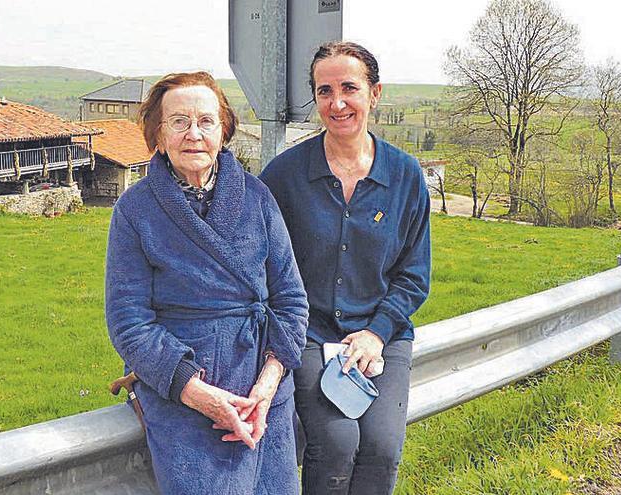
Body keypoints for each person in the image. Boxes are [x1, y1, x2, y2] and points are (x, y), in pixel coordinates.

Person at [104, 71, 308, 495]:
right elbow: (129, 322)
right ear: (158, 135)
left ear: (223, 130)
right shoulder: (135, 210)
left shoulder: (257, 197)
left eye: (205, 121)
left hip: (261, 388)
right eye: (178, 122)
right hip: (183, 388)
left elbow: (290, 299)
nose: (193, 134)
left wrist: (267, 387)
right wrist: (199, 394)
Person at [260, 42, 431, 494]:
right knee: (336, 441)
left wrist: (377, 332)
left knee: (381, 446)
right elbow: (255, 259)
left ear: (375, 93)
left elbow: (414, 274)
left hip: (382, 333)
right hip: (311, 333)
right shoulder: (284, 176)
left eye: (349, 88)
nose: (337, 103)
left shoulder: (405, 176)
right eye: (324, 91)